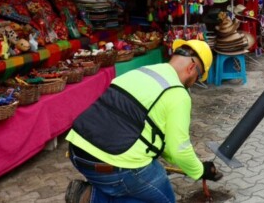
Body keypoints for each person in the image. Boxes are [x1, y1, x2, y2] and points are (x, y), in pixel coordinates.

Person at [64, 40, 222, 203]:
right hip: (115, 166)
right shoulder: (177, 94)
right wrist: (200, 170)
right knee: (164, 199)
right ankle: (93, 199)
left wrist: (187, 164)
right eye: (197, 77)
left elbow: (162, 142)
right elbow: (179, 150)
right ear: (191, 68)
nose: (194, 82)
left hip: (78, 152)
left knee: (136, 191)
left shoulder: (141, 72)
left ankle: (86, 195)